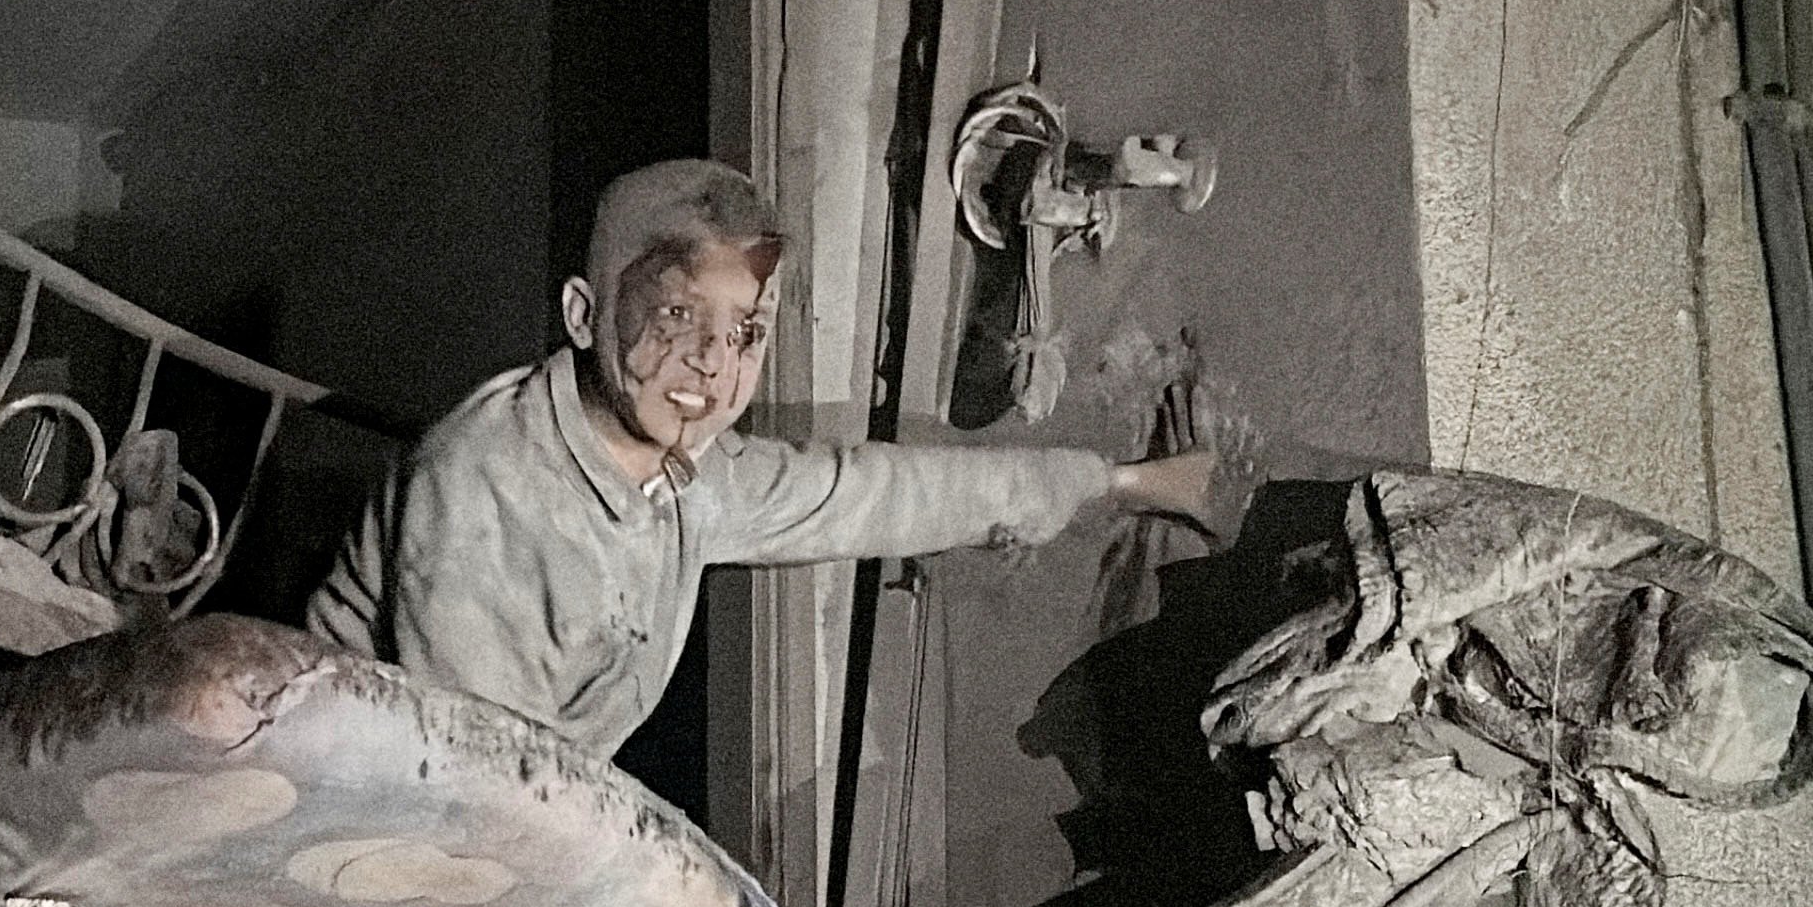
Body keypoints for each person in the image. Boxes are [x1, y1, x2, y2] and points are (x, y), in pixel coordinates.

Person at [305, 159, 1251, 761]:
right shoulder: (483, 498)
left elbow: (870, 493)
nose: (712, 365)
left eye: (745, 331)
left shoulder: (685, 470)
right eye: (675, 316)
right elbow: (473, 809)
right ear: (585, 315)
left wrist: (1118, 481)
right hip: (361, 813)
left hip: (514, 814)